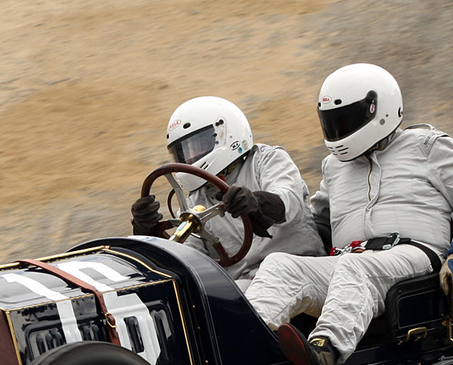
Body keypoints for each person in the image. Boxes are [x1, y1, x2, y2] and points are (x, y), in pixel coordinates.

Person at [244, 64, 453, 365]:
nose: (338, 133)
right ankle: (248, 352)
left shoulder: (426, 146)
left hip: (414, 255)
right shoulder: (333, 167)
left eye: (345, 122)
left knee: (355, 269)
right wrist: (266, 212)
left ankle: (322, 352)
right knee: (279, 266)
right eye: (331, 124)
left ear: (377, 109)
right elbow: (318, 225)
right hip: (348, 263)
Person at [130, 96, 322, 283]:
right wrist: (148, 232)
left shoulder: (267, 160)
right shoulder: (195, 202)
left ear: (226, 133)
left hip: (299, 268)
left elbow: (289, 203)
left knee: (259, 287)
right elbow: (185, 259)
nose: (191, 156)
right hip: (246, 284)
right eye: (184, 151)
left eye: (198, 145)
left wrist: (257, 203)